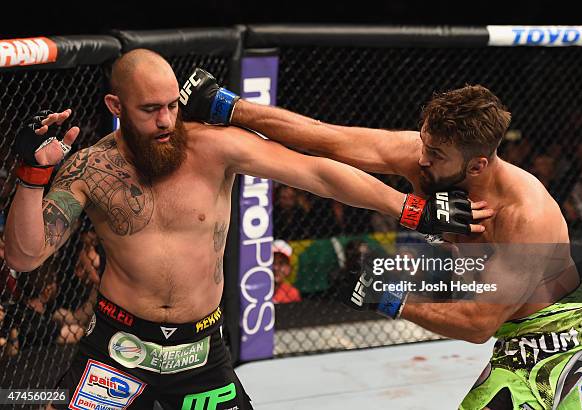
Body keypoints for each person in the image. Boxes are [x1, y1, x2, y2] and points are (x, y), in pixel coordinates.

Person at [4, 49, 486, 410]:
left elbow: (316, 171)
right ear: (116, 104)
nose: (168, 120)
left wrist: (410, 208)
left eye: (173, 104)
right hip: (116, 346)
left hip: (199, 348)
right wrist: (32, 175)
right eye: (150, 109)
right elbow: (25, 256)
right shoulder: (92, 169)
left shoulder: (213, 147)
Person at [181, 69, 582, 409]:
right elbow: (325, 136)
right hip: (504, 315)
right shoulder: (426, 155)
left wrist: (392, 297)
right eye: (424, 143)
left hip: (555, 333)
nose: (420, 159)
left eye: (435, 156)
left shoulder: (524, 216)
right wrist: (230, 107)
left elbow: (479, 324)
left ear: (477, 165)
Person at [271, 239, 301, 304]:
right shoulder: (257, 290)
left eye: (281, 263)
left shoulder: (292, 293)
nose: (275, 268)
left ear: (288, 269)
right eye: (272, 262)